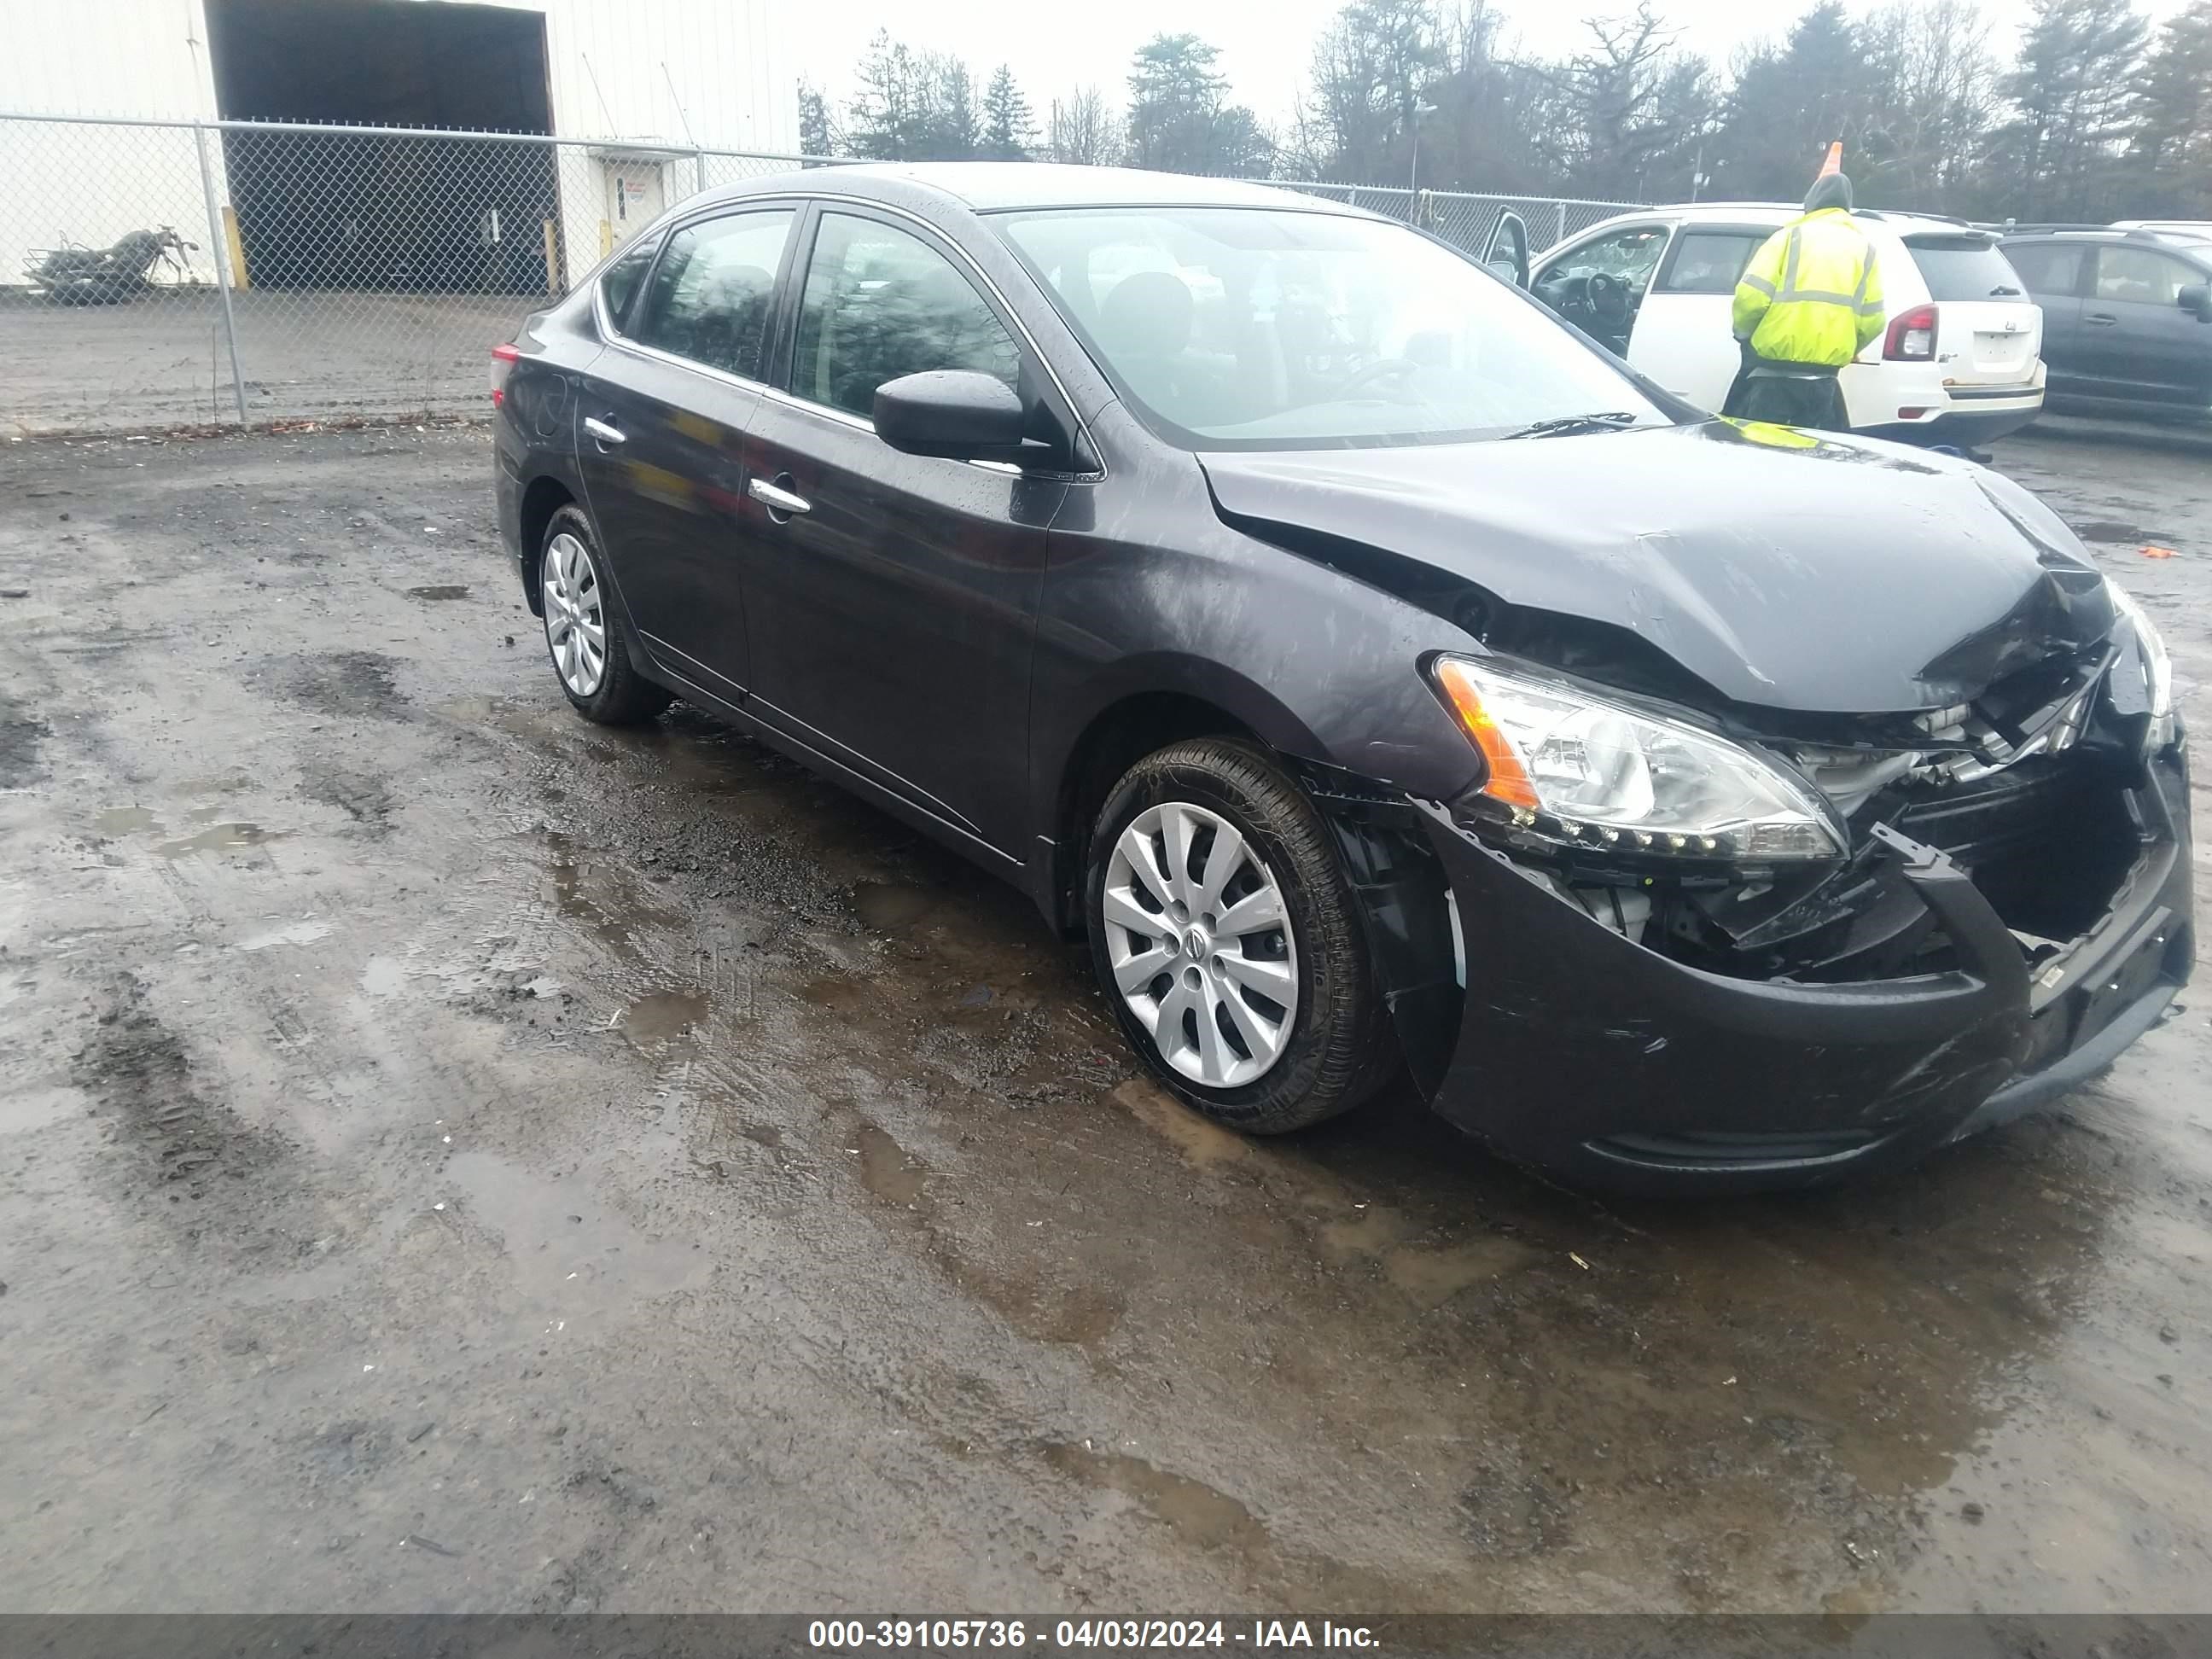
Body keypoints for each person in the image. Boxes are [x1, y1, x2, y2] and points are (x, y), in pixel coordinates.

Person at [1724, 160, 1884, 431]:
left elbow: (1750, 298)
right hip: (1823, 377)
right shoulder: (1865, 249)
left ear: (1811, 202)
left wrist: (1744, 334)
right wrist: (1847, 347)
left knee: (1760, 448)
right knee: (1810, 453)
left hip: (1772, 369)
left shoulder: (1788, 238)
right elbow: (1874, 320)